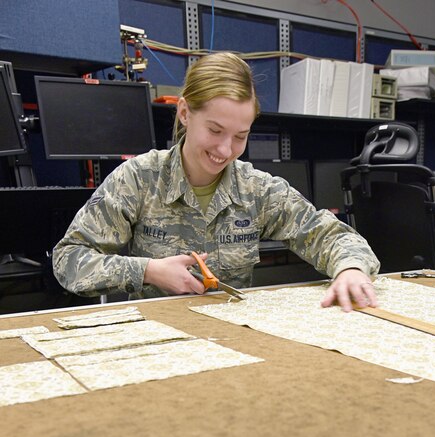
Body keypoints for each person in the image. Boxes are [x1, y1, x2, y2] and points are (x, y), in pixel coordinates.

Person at [53, 51, 379, 312]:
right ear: (184, 113)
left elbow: (328, 234)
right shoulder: (139, 179)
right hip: (159, 335)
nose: (225, 150)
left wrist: (350, 268)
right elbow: (68, 259)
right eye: (215, 130)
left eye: (240, 136)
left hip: (237, 335)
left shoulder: (257, 189)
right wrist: (148, 271)